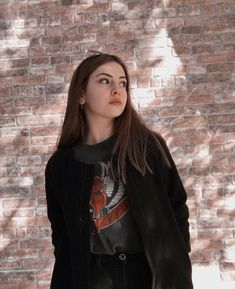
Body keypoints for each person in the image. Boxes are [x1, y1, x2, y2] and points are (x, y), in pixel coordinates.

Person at [45, 52, 193, 289]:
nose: (117, 89)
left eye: (122, 83)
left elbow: (177, 206)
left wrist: (175, 260)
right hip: (94, 276)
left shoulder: (146, 146)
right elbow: (62, 236)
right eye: (105, 81)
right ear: (81, 94)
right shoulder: (61, 165)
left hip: (147, 273)